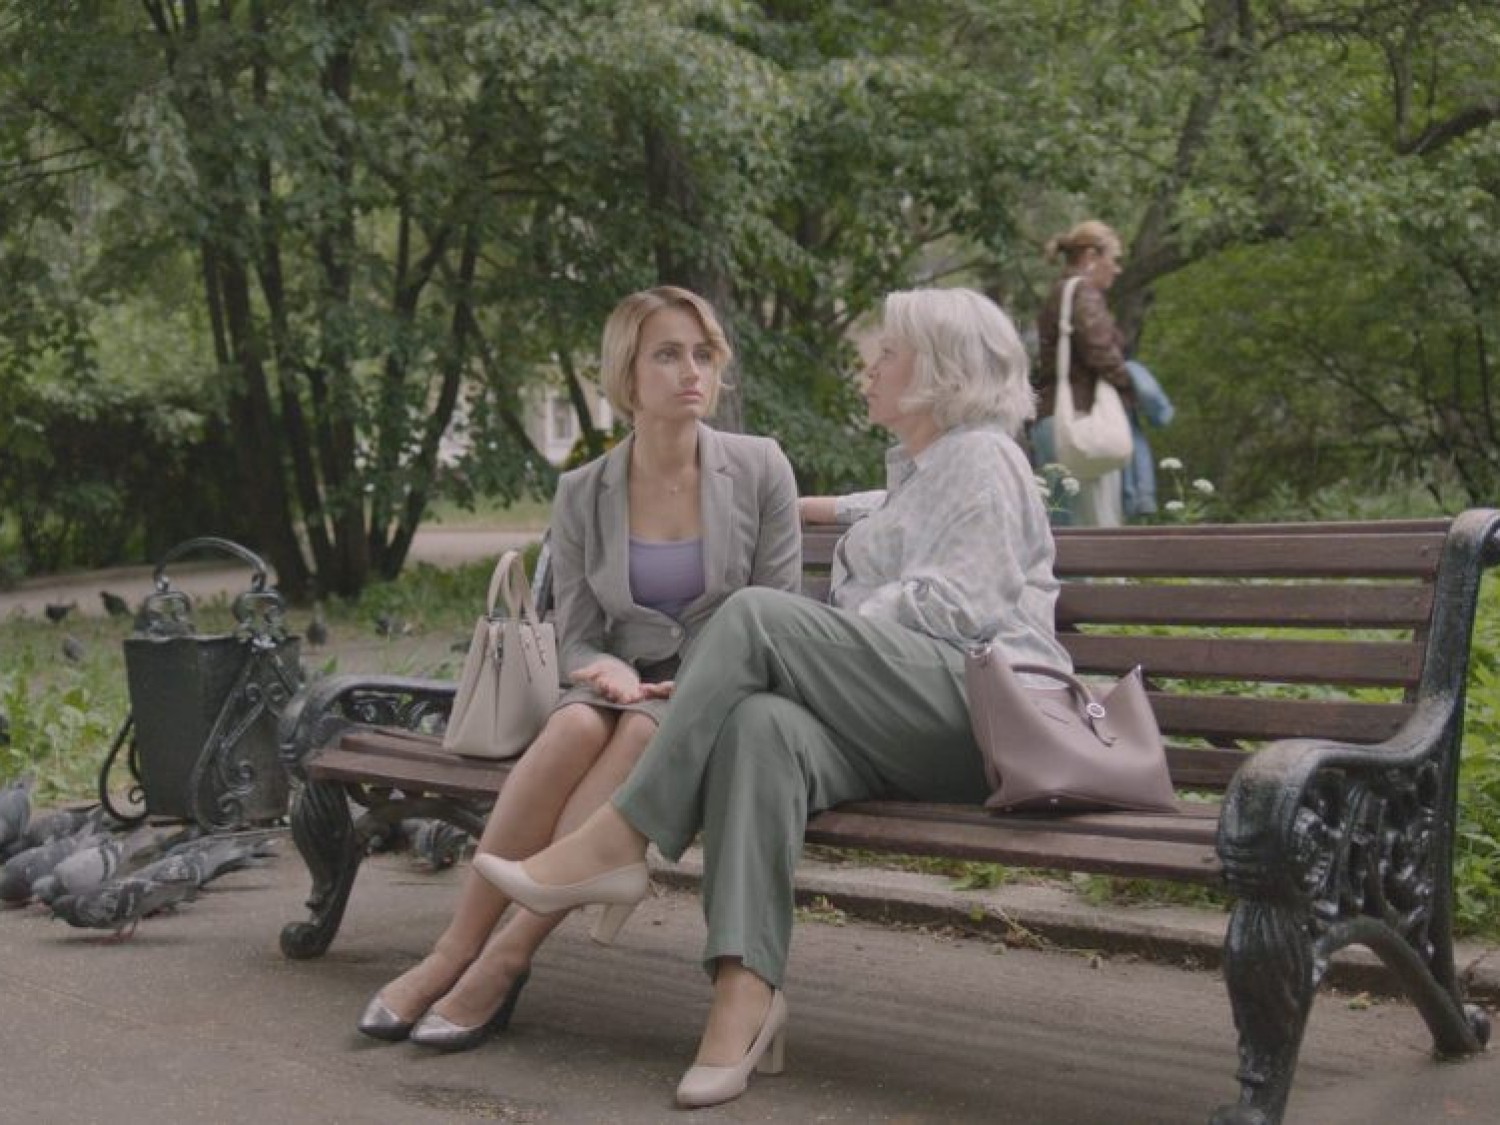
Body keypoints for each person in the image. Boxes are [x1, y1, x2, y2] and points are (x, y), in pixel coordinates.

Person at [474, 287, 1072, 1108]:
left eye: (887, 353)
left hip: (983, 716)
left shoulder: (985, 457)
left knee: (759, 616)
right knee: (761, 726)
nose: (870, 368)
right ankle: (746, 992)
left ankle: (619, 835)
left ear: (939, 370)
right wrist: (756, 508)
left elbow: (957, 609)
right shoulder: (924, 473)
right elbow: (883, 514)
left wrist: (818, 640)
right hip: (906, 722)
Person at [357, 285, 802, 1049]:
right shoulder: (583, 490)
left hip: (717, 691)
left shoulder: (761, 468)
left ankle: (504, 959)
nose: (692, 372)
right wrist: (602, 670)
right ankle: (451, 951)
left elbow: (778, 613)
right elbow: (577, 636)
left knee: (639, 734)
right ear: (627, 373)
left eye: (703, 355)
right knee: (572, 728)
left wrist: (683, 680)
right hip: (618, 683)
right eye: (668, 355)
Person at [1030, 219, 1134, 527]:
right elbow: (1100, 350)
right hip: (1080, 424)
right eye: (1113, 259)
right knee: (1094, 531)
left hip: (1051, 421)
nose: (1117, 270)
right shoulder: (1083, 293)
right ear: (1091, 256)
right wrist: (1131, 386)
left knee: (1059, 528)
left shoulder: (1058, 293)